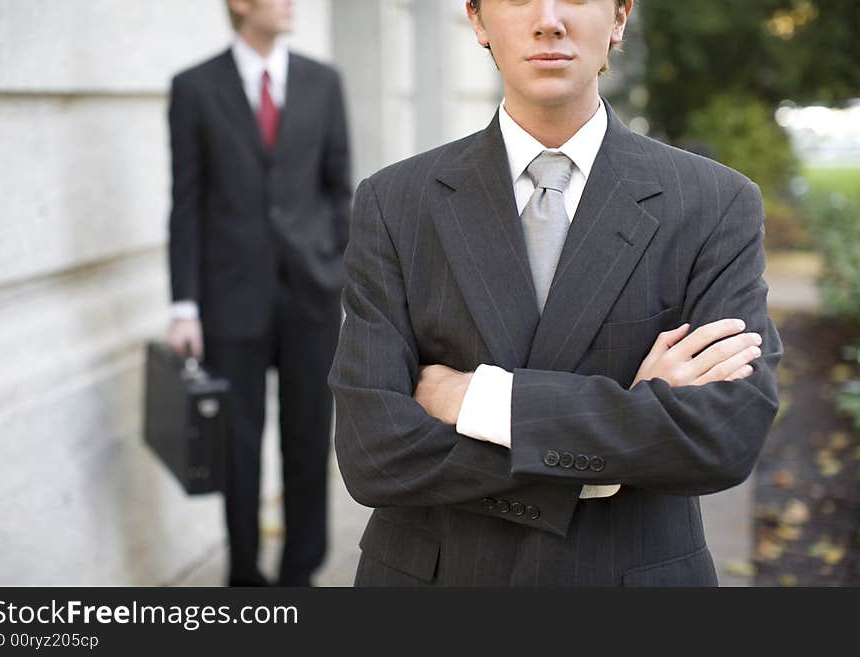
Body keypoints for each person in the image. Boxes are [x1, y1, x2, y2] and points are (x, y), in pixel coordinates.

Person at [328, 0, 782, 586]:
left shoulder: (714, 204)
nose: (548, 19)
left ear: (619, 17)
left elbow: (724, 435)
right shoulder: (395, 203)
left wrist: (482, 402)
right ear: (476, 18)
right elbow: (373, 455)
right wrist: (628, 423)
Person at [166, 0, 351, 586]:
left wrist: (339, 270)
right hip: (230, 298)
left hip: (311, 297)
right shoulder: (194, 88)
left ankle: (301, 575)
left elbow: (337, 189)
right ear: (240, 4)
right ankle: (244, 577)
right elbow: (186, 203)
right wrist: (183, 306)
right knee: (237, 449)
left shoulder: (324, 83)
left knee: (306, 441)